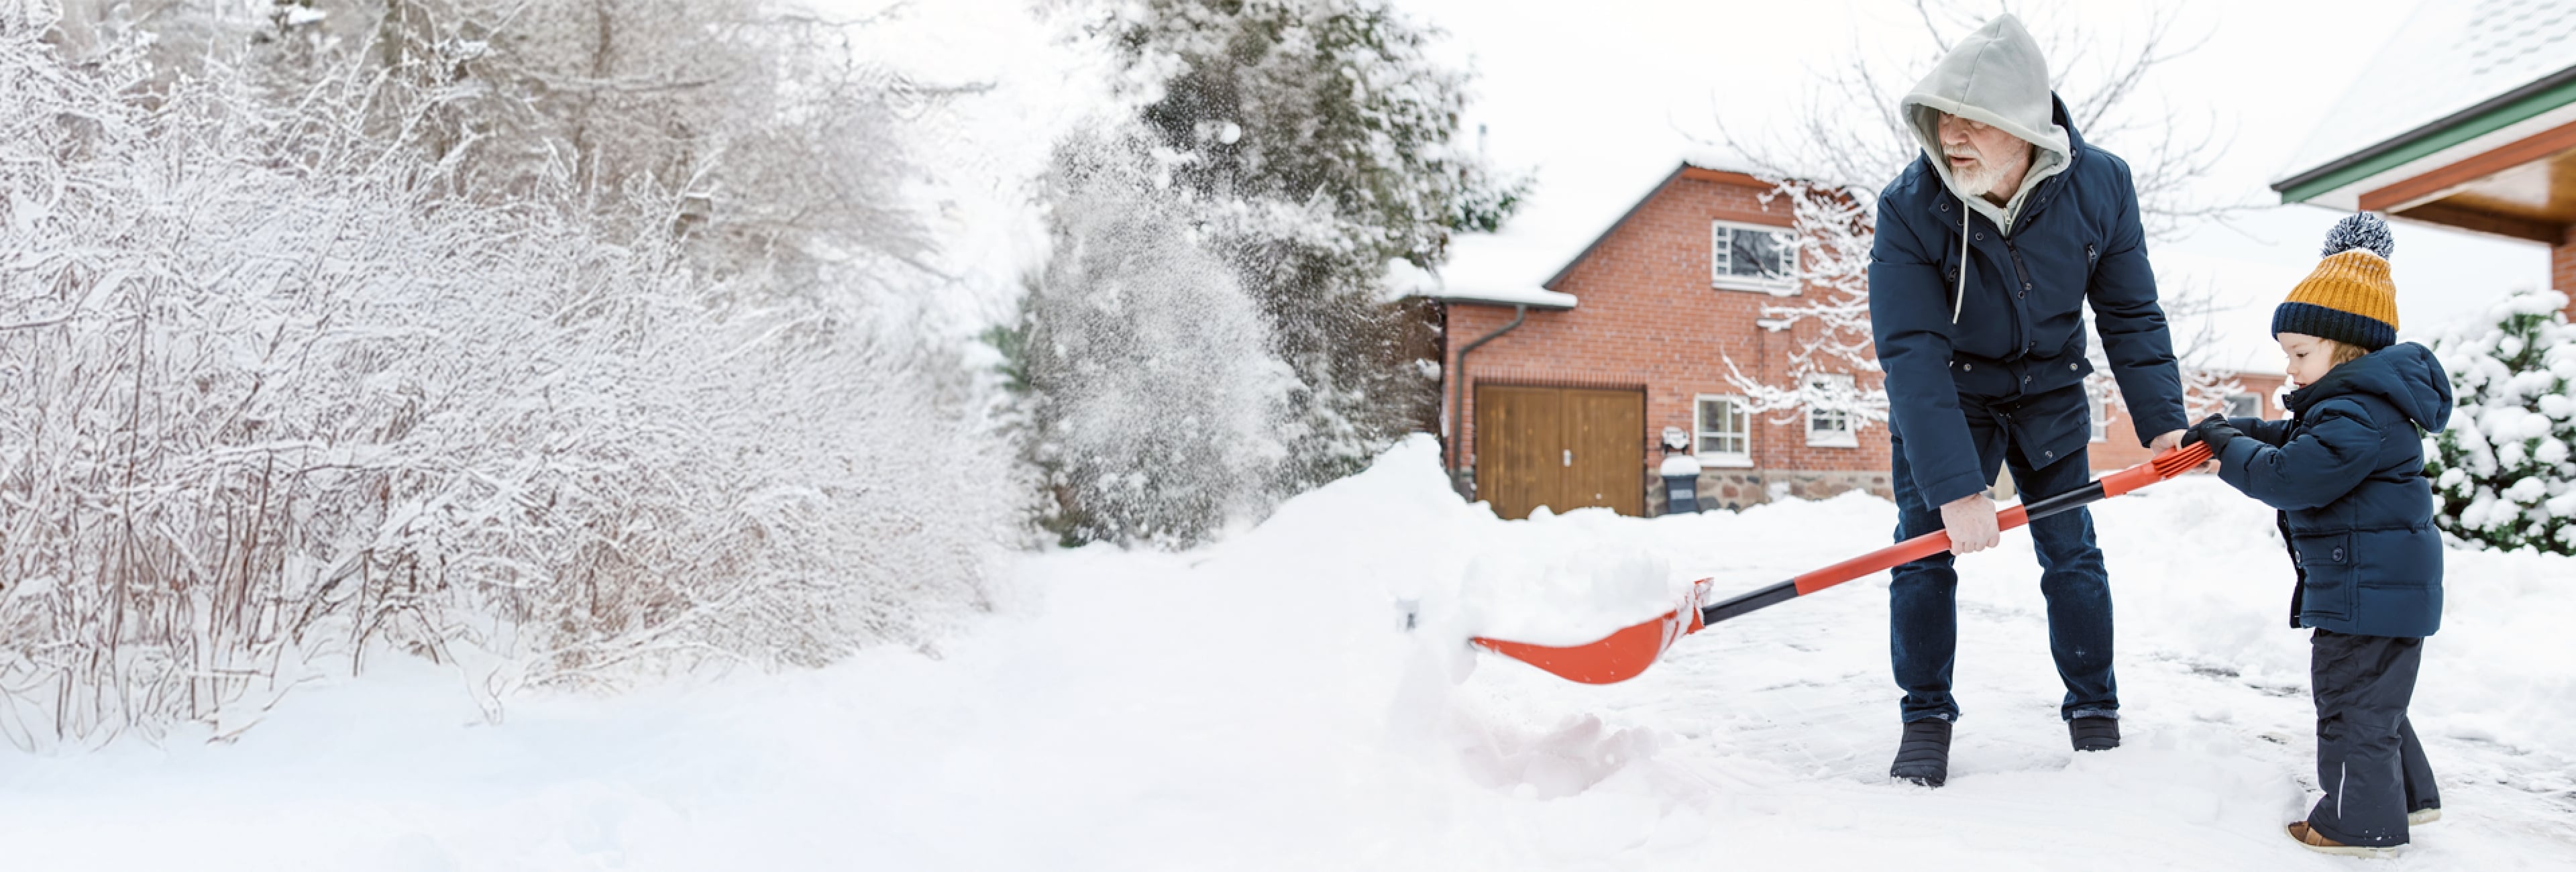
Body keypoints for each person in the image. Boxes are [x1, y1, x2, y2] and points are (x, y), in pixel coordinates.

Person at [1866, 13, 2190, 787]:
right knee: (1923, 552)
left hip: (2048, 388)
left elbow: (2129, 311)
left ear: (2023, 126)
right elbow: (1911, 353)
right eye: (1943, 117)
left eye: (1972, 120)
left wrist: (2162, 419)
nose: (1951, 136)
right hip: (1950, 393)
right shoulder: (1910, 206)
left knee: (2072, 550)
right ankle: (1925, 716)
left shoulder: (2101, 185)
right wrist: (1955, 489)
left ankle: (2094, 708)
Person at [2183, 212, 2450, 857]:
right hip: (2377, 591)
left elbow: (2291, 477)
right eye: (2286, 356)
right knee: (2374, 704)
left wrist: (2227, 446)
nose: (2290, 370)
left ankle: (2357, 825)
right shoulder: (2359, 407)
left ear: (2349, 351)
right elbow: (2295, 442)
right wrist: (2238, 435)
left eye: (2301, 355)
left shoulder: (2355, 413)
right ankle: (2407, 801)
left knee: (2351, 705)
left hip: (2367, 595)